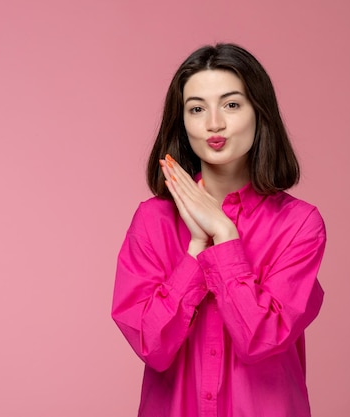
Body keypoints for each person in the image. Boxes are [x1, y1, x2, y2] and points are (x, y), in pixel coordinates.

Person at [111, 43, 326, 417]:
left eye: (231, 104)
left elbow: (261, 338)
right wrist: (197, 248)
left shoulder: (299, 225)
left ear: (260, 114)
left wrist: (225, 237)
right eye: (197, 109)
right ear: (182, 123)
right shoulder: (153, 221)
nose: (214, 123)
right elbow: (151, 345)